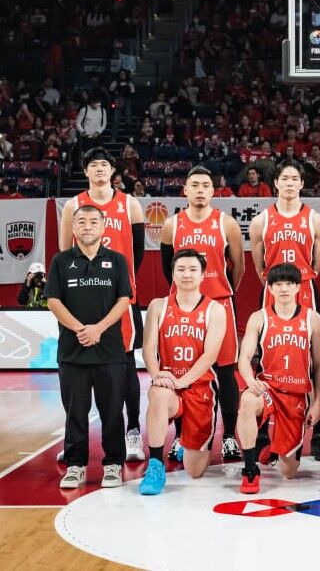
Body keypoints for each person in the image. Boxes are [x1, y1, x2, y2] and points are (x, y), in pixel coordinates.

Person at [59, 148, 146, 463]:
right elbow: (64, 254)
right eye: (93, 164)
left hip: (120, 300)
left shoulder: (129, 204)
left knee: (126, 365)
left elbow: (137, 253)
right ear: (85, 171)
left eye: (104, 164)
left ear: (112, 171)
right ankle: (74, 440)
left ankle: (132, 431)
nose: (99, 169)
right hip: (82, 299)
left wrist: (119, 284)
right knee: (76, 373)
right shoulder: (73, 205)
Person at [160, 165, 246, 461]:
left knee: (225, 372)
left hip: (220, 302)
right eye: (194, 185)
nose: (200, 190)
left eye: (205, 185)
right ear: (185, 190)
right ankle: (181, 437)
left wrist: (221, 291)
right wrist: (185, 295)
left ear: (213, 191)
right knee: (182, 372)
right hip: (183, 307)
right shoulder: (172, 225)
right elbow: (167, 269)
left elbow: (238, 267)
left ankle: (230, 436)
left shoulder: (227, 224)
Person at [45, 205, 133, 489]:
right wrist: (80, 329)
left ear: (103, 227)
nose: (87, 226)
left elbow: (124, 300)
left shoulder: (117, 260)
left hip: (109, 351)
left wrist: (98, 329)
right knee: (75, 413)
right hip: (73, 353)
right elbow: (53, 300)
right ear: (73, 228)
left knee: (112, 411)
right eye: (81, 221)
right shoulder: (61, 260)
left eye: (94, 221)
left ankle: (113, 464)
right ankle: (76, 465)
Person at [249, 160, 320, 460]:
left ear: (302, 183)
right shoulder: (261, 221)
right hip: (273, 291)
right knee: (265, 357)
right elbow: (259, 266)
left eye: (295, 178)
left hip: (305, 288)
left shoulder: (315, 220)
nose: (290, 183)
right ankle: (262, 431)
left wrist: (299, 281)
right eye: (285, 178)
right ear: (276, 183)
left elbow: (317, 263)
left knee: (313, 358)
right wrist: (276, 286)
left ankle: (318, 433)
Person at [138, 249, 226, 495]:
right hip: (168, 385)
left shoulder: (215, 310)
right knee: (157, 393)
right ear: (173, 274)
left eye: (193, 269)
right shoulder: (158, 306)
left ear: (202, 275)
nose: (187, 274)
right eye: (181, 269)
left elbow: (210, 355)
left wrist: (181, 381)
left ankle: (187, 440)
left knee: (195, 471)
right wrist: (157, 375)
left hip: (200, 387)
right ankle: (155, 464)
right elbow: (148, 348)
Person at [236, 263, 320, 493]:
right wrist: (250, 381)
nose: (284, 289)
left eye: (289, 284)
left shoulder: (312, 318)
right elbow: (244, 357)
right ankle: (250, 469)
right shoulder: (259, 318)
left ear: (298, 287)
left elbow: (319, 365)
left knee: (289, 472)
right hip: (268, 388)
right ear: (270, 288)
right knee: (247, 401)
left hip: (297, 393)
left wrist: (318, 402)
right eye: (278, 284)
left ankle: (274, 450)